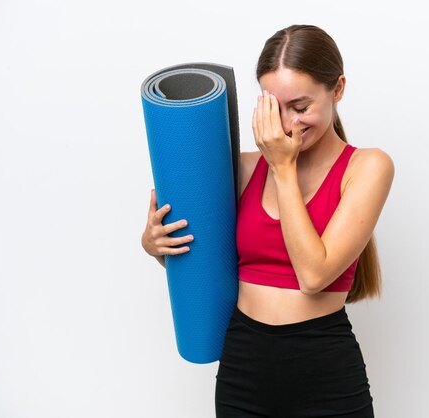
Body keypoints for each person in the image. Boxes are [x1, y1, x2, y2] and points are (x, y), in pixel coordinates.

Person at [141, 24, 395, 418]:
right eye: (275, 107)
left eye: (301, 106)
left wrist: (283, 168)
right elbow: (206, 267)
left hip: (325, 371)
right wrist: (157, 245)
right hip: (244, 364)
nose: (289, 123)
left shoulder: (366, 167)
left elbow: (313, 275)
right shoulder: (242, 168)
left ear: (338, 89)